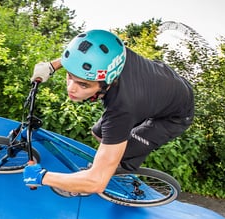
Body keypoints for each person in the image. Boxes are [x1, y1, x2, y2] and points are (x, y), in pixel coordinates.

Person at [23, 29, 194, 195]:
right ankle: (107, 160)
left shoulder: (121, 110)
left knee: (118, 153)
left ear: (107, 82)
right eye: (70, 76)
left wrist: (42, 177)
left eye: (84, 84)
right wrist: (52, 67)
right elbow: (84, 56)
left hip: (174, 115)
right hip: (160, 84)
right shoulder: (112, 53)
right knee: (98, 132)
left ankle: (121, 169)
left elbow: (96, 184)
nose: (71, 89)